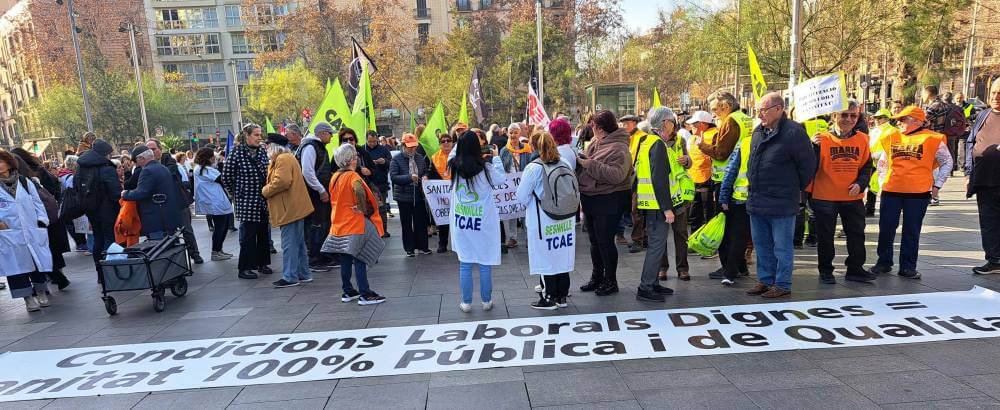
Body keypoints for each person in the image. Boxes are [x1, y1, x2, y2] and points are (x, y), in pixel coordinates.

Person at [745, 92, 817, 298]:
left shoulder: (794, 132)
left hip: (782, 201)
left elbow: (808, 166)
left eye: (763, 110)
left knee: (782, 247)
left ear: (778, 109)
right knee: (762, 244)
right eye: (758, 110)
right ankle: (765, 280)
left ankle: (782, 284)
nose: (759, 115)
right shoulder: (758, 132)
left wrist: (792, 187)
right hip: (757, 199)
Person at [870, 106, 952, 279]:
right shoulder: (891, 137)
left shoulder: (933, 138)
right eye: (898, 119)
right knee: (886, 228)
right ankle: (883, 262)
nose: (898, 122)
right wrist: (882, 182)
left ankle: (907, 266)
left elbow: (947, 162)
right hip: (891, 190)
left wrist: (937, 185)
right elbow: (883, 163)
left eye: (903, 119)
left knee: (911, 230)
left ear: (917, 121)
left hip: (918, 192)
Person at [808, 100, 876, 284]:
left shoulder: (863, 138)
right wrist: (812, 147)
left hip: (852, 196)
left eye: (853, 115)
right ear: (834, 116)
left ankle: (855, 268)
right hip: (825, 196)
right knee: (825, 237)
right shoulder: (821, 139)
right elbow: (809, 168)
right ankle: (826, 270)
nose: (849, 119)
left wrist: (861, 184)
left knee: (856, 234)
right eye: (844, 114)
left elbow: (867, 166)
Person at [635, 107, 693, 301]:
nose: (674, 126)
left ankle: (653, 284)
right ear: (664, 123)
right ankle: (646, 287)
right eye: (672, 122)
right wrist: (667, 208)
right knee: (656, 247)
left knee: (657, 246)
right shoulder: (658, 144)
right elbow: (659, 179)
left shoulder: (647, 141)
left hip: (651, 204)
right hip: (658, 206)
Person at [516, 131, 575, 309]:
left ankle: (548, 297)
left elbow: (521, 196)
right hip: (565, 218)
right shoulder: (564, 162)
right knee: (562, 254)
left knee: (545, 257)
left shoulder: (534, 167)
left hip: (543, 218)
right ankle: (562, 296)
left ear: (533, 146)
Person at [577, 110, 634, 296]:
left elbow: (617, 175)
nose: (590, 127)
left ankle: (611, 281)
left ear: (600, 128)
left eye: (592, 125)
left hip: (609, 199)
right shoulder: (595, 141)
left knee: (605, 242)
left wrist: (589, 164)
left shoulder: (619, 147)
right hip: (591, 197)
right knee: (595, 241)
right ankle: (597, 277)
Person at [322, 144, 387, 305]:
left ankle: (348, 290)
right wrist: (362, 207)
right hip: (354, 222)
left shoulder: (335, 176)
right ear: (351, 159)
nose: (357, 158)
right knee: (360, 258)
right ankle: (365, 293)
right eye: (355, 156)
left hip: (339, 222)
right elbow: (358, 191)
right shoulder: (353, 177)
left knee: (345, 259)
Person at [448, 131, 504, 312]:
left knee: (465, 262)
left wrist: (461, 140)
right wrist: (496, 158)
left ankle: (466, 303)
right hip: (483, 224)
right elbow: (501, 179)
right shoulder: (486, 168)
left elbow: (453, 152)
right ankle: (486, 301)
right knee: (484, 261)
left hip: (462, 223)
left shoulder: (453, 165)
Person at [0, 150, 53, 311]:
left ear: (9, 164)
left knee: (36, 261)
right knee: (16, 267)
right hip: (9, 232)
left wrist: (41, 221)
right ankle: (27, 298)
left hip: (31, 228)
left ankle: (41, 291)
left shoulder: (24, 182)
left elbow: (37, 203)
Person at [11, 149, 71, 290]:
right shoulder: (34, 176)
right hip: (45, 219)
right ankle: (56, 276)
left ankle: (53, 278)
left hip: (36, 221)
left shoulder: (26, 181)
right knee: (45, 249)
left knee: (39, 251)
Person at [262, 133, 314, 288]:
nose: (265, 148)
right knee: (298, 243)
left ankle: (290, 276)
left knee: (289, 244)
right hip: (294, 207)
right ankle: (303, 273)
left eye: (267, 145)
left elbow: (283, 181)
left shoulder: (282, 159)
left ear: (273, 147)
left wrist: (265, 190)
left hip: (289, 209)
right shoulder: (286, 157)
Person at [224, 123, 272, 279]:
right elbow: (226, 177)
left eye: (260, 135)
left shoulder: (262, 152)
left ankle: (262, 263)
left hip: (263, 199)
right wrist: (238, 194)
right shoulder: (236, 153)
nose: (260, 138)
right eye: (256, 135)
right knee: (248, 236)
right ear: (247, 135)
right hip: (246, 201)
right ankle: (244, 268)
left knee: (264, 233)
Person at [146, 139, 202, 264]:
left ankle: (195, 254)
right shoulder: (146, 165)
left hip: (178, 202)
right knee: (169, 233)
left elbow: (167, 175)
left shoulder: (168, 161)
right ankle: (177, 258)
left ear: (160, 149)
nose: (151, 152)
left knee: (186, 230)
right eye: (148, 150)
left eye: (154, 149)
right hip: (162, 205)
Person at [966, 78, 1000, 274]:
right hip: (984, 179)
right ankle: (994, 260)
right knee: (988, 221)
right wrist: (969, 172)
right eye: (994, 92)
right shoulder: (983, 115)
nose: (996, 97)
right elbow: (971, 142)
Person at [75, 139, 122, 277]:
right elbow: (115, 193)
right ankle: (113, 272)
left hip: (91, 210)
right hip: (108, 211)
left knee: (98, 239)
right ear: (105, 154)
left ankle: (100, 272)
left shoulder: (81, 168)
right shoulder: (106, 168)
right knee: (110, 240)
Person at [297, 122, 336, 272]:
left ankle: (322, 256)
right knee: (316, 225)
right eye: (330, 133)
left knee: (322, 224)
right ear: (322, 133)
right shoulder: (311, 147)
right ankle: (315, 259)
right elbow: (307, 172)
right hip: (314, 194)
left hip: (317, 193)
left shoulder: (315, 146)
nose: (332, 136)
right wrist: (321, 190)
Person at [122, 146, 183, 240]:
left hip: (156, 218)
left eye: (136, 161)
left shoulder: (147, 170)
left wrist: (126, 194)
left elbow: (142, 192)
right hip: (167, 217)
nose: (136, 164)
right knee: (170, 246)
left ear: (141, 158)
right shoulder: (162, 168)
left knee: (160, 248)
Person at [389, 133, 431, 256]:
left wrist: (425, 177)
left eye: (414, 146)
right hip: (403, 197)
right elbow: (394, 177)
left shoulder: (419, 158)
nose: (412, 149)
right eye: (409, 146)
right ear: (403, 145)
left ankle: (423, 246)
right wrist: (409, 178)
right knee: (406, 223)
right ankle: (409, 248)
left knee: (421, 222)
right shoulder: (396, 159)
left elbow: (424, 171)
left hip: (418, 195)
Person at [193, 147, 234, 261]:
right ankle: (215, 251)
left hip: (216, 200)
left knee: (224, 226)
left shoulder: (204, 168)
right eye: (212, 156)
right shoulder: (203, 169)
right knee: (220, 227)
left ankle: (219, 250)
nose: (214, 158)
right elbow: (222, 179)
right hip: (214, 201)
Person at [922, 85, 966, 193]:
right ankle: (934, 192)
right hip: (943, 138)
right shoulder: (944, 105)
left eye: (923, 93)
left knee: (933, 167)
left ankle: (933, 193)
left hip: (933, 139)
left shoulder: (934, 106)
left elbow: (921, 121)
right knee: (939, 165)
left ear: (927, 94)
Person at [499, 122, 533, 249]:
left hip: (524, 184)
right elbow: (501, 168)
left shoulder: (527, 149)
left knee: (525, 212)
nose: (513, 135)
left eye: (516, 132)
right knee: (512, 211)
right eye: (511, 132)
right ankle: (513, 238)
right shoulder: (504, 151)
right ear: (507, 133)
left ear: (520, 134)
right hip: (510, 187)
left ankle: (529, 237)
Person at [685, 111, 718, 232]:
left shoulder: (714, 135)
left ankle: (708, 240)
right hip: (695, 180)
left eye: (694, 124)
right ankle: (695, 238)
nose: (691, 127)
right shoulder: (693, 138)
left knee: (707, 212)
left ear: (703, 124)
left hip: (709, 181)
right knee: (695, 212)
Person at [621, 114, 649, 252]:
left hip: (640, 178)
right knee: (635, 210)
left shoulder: (642, 136)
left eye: (627, 123)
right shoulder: (626, 137)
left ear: (634, 123)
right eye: (623, 124)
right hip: (630, 178)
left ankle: (639, 240)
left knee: (636, 210)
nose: (624, 126)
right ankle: (642, 239)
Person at [427, 133, 454, 253]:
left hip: (457, 192)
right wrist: (426, 177)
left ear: (452, 142)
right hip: (442, 195)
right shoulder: (434, 157)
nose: (446, 143)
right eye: (443, 141)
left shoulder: (458, 156)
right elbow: (430, 173)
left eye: (449, 140)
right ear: (440, 144)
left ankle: (458, 245)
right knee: (443, 219)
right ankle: (442, 244)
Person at [362, 129, 392, 237]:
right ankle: (370, 231)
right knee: (368, 209)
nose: (372, 144)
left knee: (381, 208)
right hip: (367, 183)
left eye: (375, 141)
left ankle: (383, 230)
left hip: (381, 184)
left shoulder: (383, 150)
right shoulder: (362, 150)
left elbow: (391, 163)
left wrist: (384, 162)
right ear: (366, 140)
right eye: (370, 142)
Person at [865, 109, 895, 216]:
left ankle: (886, 209)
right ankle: (870, 208)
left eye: (880, 117)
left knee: (884, 187)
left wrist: (879, 156)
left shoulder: (892, 131)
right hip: (873, 162)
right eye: (875, 118)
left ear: (887, 118)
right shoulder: (874, 130)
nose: (877, 120)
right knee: (872, 186)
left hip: (885, 164)